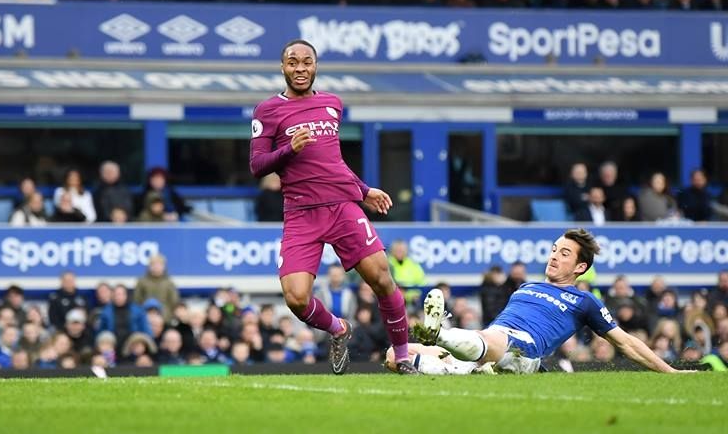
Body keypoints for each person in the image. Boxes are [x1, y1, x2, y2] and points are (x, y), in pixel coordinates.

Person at [249, 39, 416, 375]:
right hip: (301, 213)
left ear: (315, 66)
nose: (300, 69)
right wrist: (289, 150)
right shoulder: (267, 110)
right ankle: (338, 328)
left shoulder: (332, 104)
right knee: (296, 298)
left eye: (306, 62)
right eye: (292, 62)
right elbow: (257, 165)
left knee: (383, 279)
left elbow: (332, 161)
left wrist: (363, 190)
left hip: (342, 207)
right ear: (282, 68)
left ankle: (402, 357)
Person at [411, 228, 693, 374]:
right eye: (554, 249)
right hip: (492, 340)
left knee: (487, 339)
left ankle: (441, 336)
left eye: (565, 253)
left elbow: (625, 342)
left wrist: (669, 371)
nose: (554, 256)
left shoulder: (584, 301)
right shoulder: (525, 286)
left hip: (525, 350)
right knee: (397, 355)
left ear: (580, 267)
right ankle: (461, 362)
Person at [133, 255, 179, 321]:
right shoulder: (142, 282)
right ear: (149, 266)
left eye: (159, 264)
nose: (156, 267)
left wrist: (169, 316)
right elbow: (137, 301)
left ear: (164, 266)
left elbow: (174, 302)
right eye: (153, 264)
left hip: (165, 320)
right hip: (145, 319)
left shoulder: (169, 283)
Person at [388, 239, 426, 311]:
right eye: (397, 250)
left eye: (402, 250)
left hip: (412, 301)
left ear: (406, 251)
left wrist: (412, 295)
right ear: (392, 251)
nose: (400, 252)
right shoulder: (388, 263)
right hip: (393, 300)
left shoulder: (414, 265)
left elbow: (422, 283)